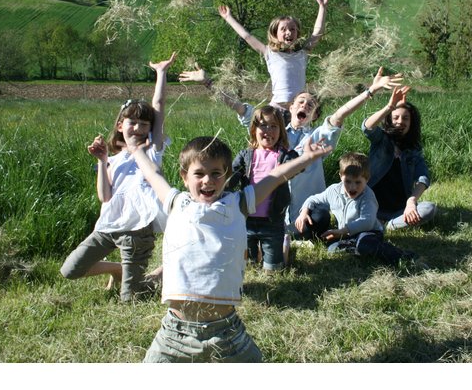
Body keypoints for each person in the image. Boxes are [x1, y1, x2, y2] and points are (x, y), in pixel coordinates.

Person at [126, 132, 331, 362]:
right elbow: (153, 173)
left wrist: (306, 158)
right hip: (175, 332)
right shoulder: (177, 203)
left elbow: (275, 177)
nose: (207, 180)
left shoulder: (237, 204)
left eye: (216, 173)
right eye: (199, 174)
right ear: (185, 177)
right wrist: (136, 151)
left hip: (226, 330)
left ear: (227, 175)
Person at [60, 52, 176, 301]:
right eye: (132, 122)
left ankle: (158, 275)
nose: (138, 127)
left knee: (132, 299)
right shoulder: (113, 160)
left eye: (144, 124)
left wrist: (161, 73)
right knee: (70, 270)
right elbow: (104, 196)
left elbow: (159, 107)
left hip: (137, 231)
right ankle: (118, 269)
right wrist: (102, 162)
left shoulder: (152, 151)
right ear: (120, 125)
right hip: (109, 226)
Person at [285, 68, 403, 237]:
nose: (305, 105)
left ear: (315, 115)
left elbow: (339, 115)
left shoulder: (317, 137)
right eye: (301, 101)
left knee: (319, 219)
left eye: (311, 105)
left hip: (308, 212)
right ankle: (285, 234)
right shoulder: (277, 134)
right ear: (291, 107)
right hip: (277, 211)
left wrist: (370, 91)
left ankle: (289, 235)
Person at [195, 0, 332, 127]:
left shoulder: (302, 53)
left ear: (297, 33)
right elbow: (247, 36)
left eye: (292, 29)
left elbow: (317, 32)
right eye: (283, 29)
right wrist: (229, 18)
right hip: (276, 109)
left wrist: (322, 7)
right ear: (275, 33)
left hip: (298, 112)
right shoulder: (270, 53)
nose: (289, 32)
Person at [295, 152, 421, 266]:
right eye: (348, 181)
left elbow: (367, 221)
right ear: (340, 176)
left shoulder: (367, 196)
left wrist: (342, 231)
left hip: (368, 232)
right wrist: (304, 212)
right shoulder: (333, 191)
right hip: (346, 235)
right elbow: (313, 199)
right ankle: (354, 247)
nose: (352, 187)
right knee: (332, 250)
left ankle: (403, 256)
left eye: (358, 182)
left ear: (367, 179)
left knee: (365, 244)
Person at [227, 106, 299, 270]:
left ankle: (284, 246)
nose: (268, 130)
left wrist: (304, 158)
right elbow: (231, 178)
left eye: (274, 126)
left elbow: (295, 167)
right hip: (247, 220)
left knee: (273, 270)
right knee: (249, 265)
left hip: (272, 220)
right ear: (254, 129)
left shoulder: (285, 155)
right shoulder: (246, 155)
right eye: (263, 125)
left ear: (281, 130)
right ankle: (258, 253)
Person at [361, 86, 437, 231]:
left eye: (405, 118)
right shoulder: (381, 140)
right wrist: (389, 107)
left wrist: (411, 202)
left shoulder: (414, 150)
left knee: (429, 208)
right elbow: (367, 127)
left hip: (398, 210)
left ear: (411, 122)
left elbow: (423, 177)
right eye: (396, 117)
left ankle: (389, 225)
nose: (400, 121)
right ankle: (376, 221)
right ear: (389, 119)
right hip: (370, 205)